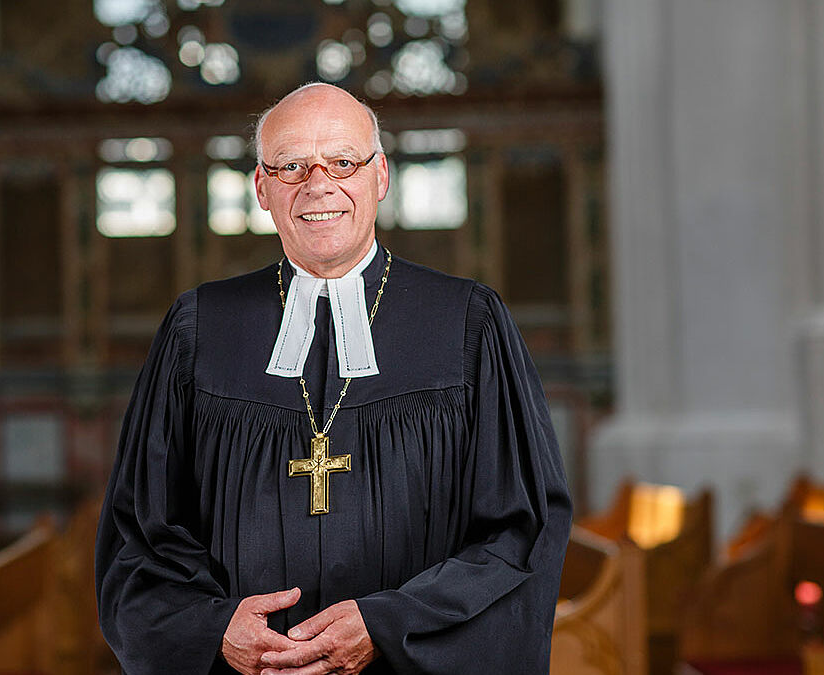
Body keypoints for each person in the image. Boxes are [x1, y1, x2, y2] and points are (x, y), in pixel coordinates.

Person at [95, 83, 572, 675]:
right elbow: (140, 530)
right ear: (262, 189)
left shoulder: (466, 322)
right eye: (291, 166)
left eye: (343, 162)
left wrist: (392, 625)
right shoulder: (199, 327)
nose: (318, 185)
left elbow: (521, 531)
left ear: (381, 177)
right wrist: (216, 629)